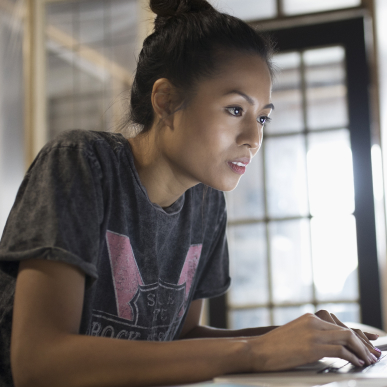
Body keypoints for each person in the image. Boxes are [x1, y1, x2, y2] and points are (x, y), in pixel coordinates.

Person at [0, 0, 382, 386]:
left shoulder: (206, 202)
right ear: (166, 102)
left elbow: (178, 339)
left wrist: (292, 338)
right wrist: (255, 350)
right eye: (235, 110)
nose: (254, 138)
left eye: (262, 117)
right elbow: (38, 362)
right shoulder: (82, 164)